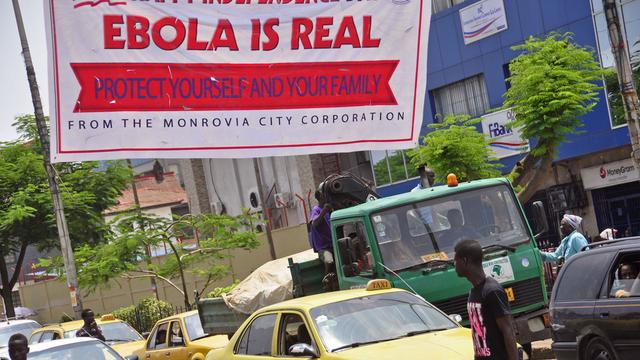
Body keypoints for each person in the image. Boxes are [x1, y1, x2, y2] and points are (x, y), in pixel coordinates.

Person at [454, 240, 517, 360]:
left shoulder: (492, 291)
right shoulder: (474, 291)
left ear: (465, 261)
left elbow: (508, 330)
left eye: (456, 260)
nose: (454, 264)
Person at [310, 190, 334, 275]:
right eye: (324, 196)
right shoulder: (316, 210)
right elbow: (314, 223)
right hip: (324, 248)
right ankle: (327, 282)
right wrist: (323, 211)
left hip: (333, 245)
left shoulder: (329, 210)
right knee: (329, 260)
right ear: (319, 198)